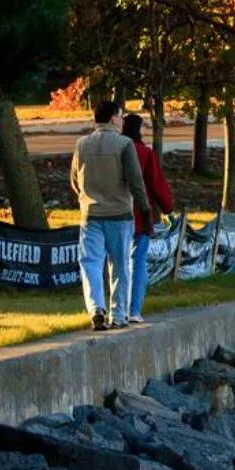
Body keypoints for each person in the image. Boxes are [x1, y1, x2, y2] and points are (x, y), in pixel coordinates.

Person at [69, 99, 149, 330]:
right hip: (119, 214)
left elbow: (75, 180)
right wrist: (143, 207)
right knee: (120, 265)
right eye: (121, 116)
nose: (123, 120)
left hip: (90, 214)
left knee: (91, 263)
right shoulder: (125, 144)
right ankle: (118, 314)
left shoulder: (81, 144)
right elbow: (135, 180)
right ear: (114, 117)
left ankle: (96, 308)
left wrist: (86, 199)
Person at [120, 113, 174, 325]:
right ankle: (134, 309)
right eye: (143, 127)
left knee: (119, 263)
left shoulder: (117, 150)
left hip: (117, 214)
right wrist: (168, 208)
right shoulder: (145, 153)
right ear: (137, 129)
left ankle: (118, 309)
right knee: (138, 262)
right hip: (140, 216)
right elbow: (156, 184)